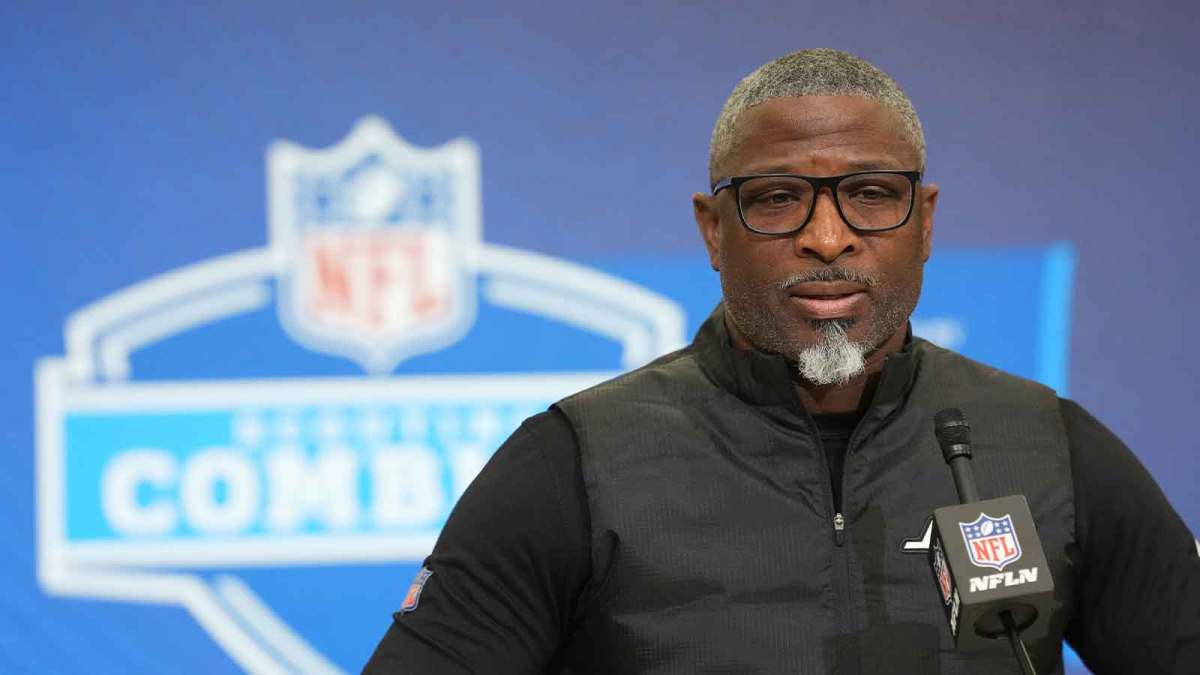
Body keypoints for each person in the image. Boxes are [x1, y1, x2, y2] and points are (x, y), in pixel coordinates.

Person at [364, 48, 1199, 674]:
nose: (827, 237)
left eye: (870, 194)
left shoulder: (1044, 444)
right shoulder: (574, 463)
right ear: (713, 230)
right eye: (777, 199)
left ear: (925, 221)